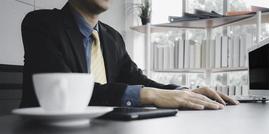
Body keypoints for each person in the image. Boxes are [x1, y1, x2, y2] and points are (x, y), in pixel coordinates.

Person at [20, 0, 239, 110]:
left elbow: (137, 80)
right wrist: (149, 95)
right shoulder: (41, 24)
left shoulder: (112, 37)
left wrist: (183, 92)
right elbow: (64, 92)